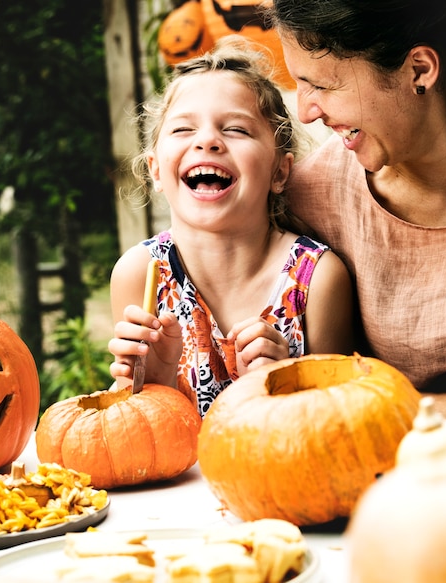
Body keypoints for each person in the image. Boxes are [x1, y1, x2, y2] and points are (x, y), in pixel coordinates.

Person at [270, 0, 446, 447]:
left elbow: (346, 405)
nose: (308, 111)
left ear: (419, 70)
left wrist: (389, 410)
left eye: (322, 85)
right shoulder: (313, 199)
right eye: (299, 84)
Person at [107, 38, 354, 417]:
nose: (208, 141)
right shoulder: (140, 274)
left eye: (236, 129)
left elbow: (340, 420)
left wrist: (286, 387)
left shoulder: (317, 280)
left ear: (279, 171)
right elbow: (132, 430)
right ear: (156, 170)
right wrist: (157, 384)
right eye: (183, 130)